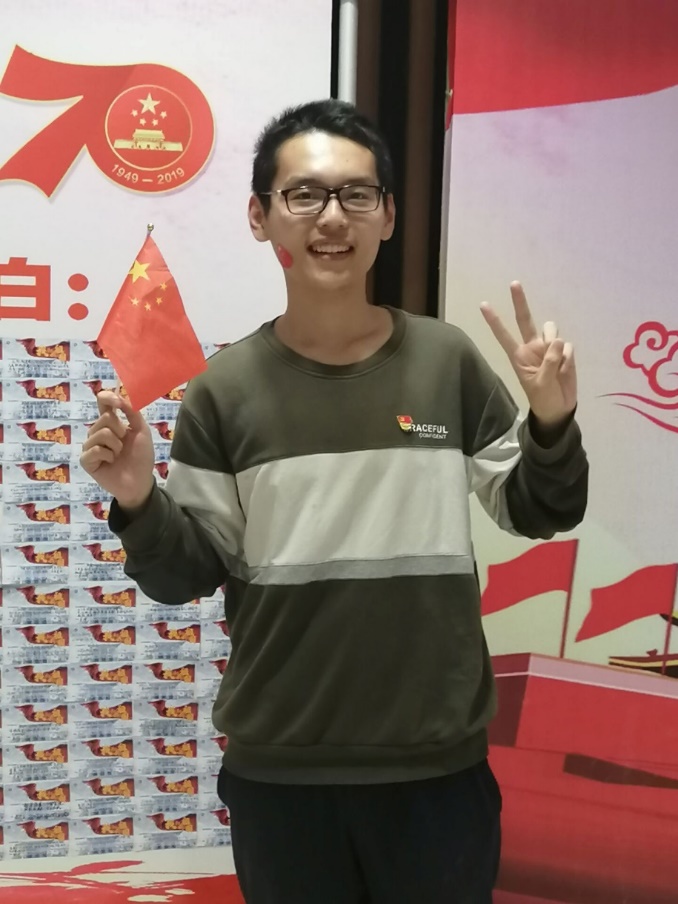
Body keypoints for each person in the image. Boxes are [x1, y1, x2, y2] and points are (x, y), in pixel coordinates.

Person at [80, 99, 588, 904]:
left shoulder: (446, 361)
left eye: (357, 194)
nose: (331, 217)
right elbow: (187, 574)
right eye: (304, 194)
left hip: (435, 773)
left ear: (388, 215)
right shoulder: (224, 392)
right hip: (283, 776)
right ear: (260, 217)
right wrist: (139, 497)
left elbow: (536, 509)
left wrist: (552, 422)